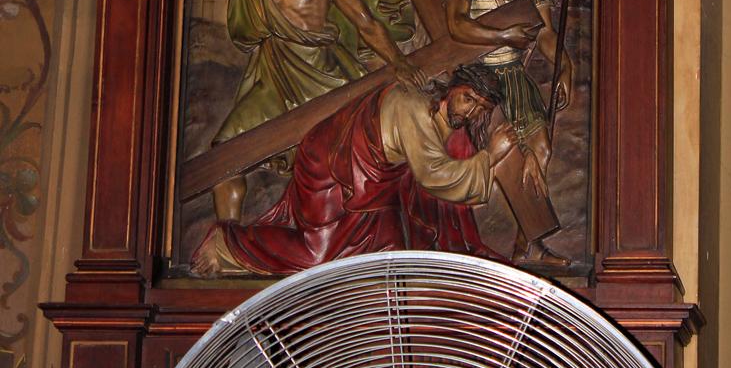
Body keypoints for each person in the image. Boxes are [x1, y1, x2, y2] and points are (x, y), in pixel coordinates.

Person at [209, 0, 421, 222]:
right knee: (225, 157)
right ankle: (227, 239)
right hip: (274, 75)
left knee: (351, 159)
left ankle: (361, 234)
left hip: (321, 77)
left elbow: (366, 22)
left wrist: (397, 60)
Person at [191, 64, 516, 276]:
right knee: (318, 254)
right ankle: (228, 242)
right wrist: (489, 156)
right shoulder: (415, 108)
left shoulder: (442, 117)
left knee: (390, 255)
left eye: (481, 108)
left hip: (374, 184)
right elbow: (434, 175)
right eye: (468, 99)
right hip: (332, 168)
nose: (471, 111)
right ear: (453, 88)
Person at [442, 0, 572, 268]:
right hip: (477, 80)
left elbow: (545, 32)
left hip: (514, 77)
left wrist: (564, 65)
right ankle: (475, 244)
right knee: (499, 156)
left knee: (541, 149)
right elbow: (457, 24)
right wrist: (503, 34)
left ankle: (527, 246)